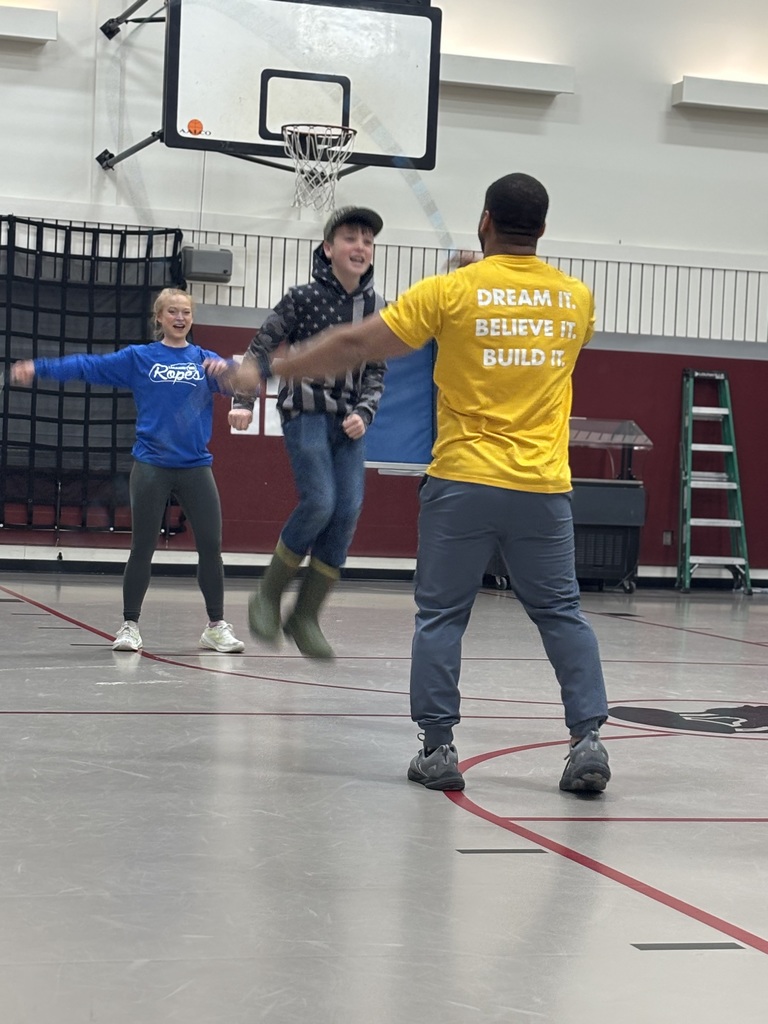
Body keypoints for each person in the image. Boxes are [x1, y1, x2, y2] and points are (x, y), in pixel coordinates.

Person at [238, 173, 612, 794]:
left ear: (484, 220)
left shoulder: (450, 292)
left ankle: (438, 750)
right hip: (543, 488)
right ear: (543, 229)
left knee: (441, 617)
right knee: (562, 615)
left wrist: (274, 366)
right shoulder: (576, 298)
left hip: (463, 482)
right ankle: (588, 740)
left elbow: (355, 343)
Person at [11, 288, 245, 655]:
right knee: (142, 548)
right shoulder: (139, 358)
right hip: (151, 466)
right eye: (172, 311)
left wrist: (232, 377)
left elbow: (246, 382)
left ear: (192, 318)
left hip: (195, 467)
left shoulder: (205, 360)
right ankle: (130, 625)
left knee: (210, 548)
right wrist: (39, 368)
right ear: (159, 317)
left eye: (185, 312)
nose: (180, 317)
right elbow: (87, 366)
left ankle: (216, 627)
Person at [229, 206, 387, 660]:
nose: (360, 247)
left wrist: (365, 412)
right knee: (320, 501)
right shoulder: (302, 298)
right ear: (328, 248)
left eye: (368, 241)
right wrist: (243, 402)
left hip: (348, 422)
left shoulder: (378, 308)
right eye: (350, 238)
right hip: (307, 412)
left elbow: (376, 370)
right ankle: (267, 595)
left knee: (347, 511)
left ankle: (305, 614)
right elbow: (260, 349)